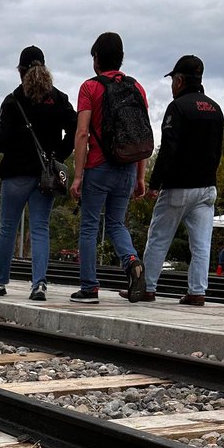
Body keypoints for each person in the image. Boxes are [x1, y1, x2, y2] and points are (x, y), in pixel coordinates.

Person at [0, 45, 76, 301]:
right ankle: (39, 284)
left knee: (8, 227)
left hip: (16, 174)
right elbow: (76, 129)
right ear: (45, 69)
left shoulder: (13, 100)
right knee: (40, 229)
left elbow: (0, 142)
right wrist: (58, 155)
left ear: (20, 71)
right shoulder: (58, 98)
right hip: (46, 174)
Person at [70, 32, 150, 304]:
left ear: (96, 59)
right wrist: (141, 176)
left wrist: (78, 175)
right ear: (121, 58)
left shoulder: (89, 88)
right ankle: (131, 260)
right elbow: (141, 136)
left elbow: (82, 133)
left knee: (89, 227)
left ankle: (89, 288)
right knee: (116, 223)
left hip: (98, 167)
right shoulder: (137, 88)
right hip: (127, 168)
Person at [140, 55, 224, 307]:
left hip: (178, 187)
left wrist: (154, 184)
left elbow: (169, 149)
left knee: (159, 237)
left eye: (172, 81)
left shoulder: (177, 107)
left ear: (179, 80)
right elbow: (218, 151)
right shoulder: (215, 109)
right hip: (207, 188)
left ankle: (147, 288)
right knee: (201, 244)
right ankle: (197, 292)